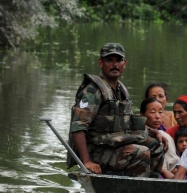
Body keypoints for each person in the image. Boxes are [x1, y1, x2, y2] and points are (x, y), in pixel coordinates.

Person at [68, 42, 164, 177]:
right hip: (97, 150)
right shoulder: (92, 91)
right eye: (109, 60)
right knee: (140, 152)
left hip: (116, 144)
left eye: (118, 60)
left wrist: (154, 132)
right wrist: (87, 161)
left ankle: (149, 185)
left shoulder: (121, 90)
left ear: (124, 63)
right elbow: (78, 127)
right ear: (101, 63)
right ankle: (132, 190)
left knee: (156, 146)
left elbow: (129, 122)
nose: (114, 65)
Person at [140, 97, 179, 179]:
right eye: (152, 112)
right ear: (142, 115)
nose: (157, 116)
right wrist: (164, 171)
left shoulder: (165, 135)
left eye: (160, 112)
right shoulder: (136, 134)